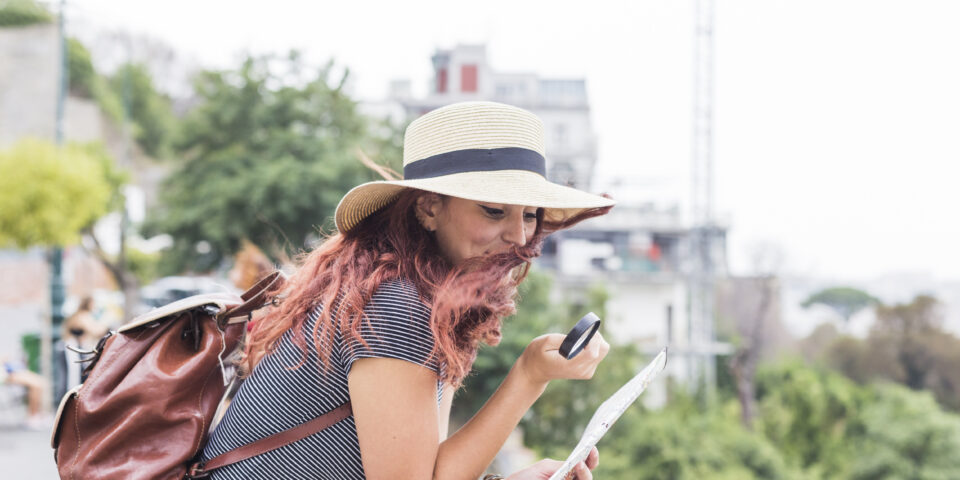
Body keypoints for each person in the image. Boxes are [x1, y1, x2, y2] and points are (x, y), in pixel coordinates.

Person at [200, 101, 615, 479]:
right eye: (493, 210)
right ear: (429, 207)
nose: (519, 236)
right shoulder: (397, 304)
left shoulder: (414, 294)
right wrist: (528, 375)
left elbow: (427, 466)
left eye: (529, 215)